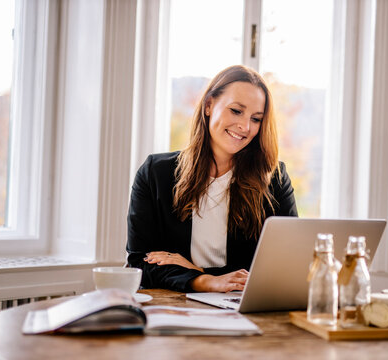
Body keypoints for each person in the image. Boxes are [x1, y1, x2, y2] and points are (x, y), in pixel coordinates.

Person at [126, 65, 298, 293]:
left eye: (256, 119)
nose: (245, 127)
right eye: (236, 111)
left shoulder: (273, 180)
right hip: (174, 309)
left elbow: (287, 267)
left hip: (243, 309)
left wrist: (195, 271)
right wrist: (205, 281)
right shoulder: (155, 174)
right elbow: (139, 264)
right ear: (209, 105)